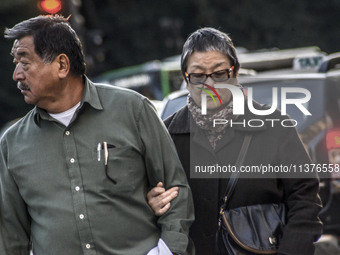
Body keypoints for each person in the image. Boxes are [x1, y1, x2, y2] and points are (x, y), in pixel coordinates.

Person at [0, 15, 194, 255]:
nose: (17, 75)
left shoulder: (133, 110)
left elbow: (175, 190)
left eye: (25, 63)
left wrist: (166, 251)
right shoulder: (12, 143)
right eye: (15, 63)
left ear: (62, 65)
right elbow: (11, 237)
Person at [147, 27, 323, 255]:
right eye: (198, 75)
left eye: (219, 74)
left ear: (235, 72)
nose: (209, 84)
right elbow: (145, 204)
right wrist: (150, 205)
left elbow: (305, 200)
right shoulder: (166, 135)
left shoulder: (274, 125)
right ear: (186, 79)